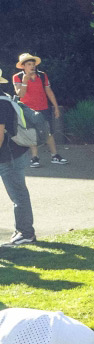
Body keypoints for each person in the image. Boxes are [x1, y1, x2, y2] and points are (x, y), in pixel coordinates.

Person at [0, 78, 36, 248]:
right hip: (12, 154)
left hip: (10, 157)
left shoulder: (1, 103)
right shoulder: (5, 98)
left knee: (18, 195)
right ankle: (22, 231)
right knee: (19, 194)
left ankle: (26, 233)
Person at [10, 54, 65, 167]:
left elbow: (49, 91)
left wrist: (55, 107)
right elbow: (20, 94)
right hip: (27, 110)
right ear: (23, 66)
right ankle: (35, 158)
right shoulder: (17, 77)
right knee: (31, 132)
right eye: (29, 64)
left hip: (43, 108)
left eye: (33, 64)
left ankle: (55, 156)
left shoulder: (42, 75)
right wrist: (25, 80)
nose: (32, 66)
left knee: (48, 132)